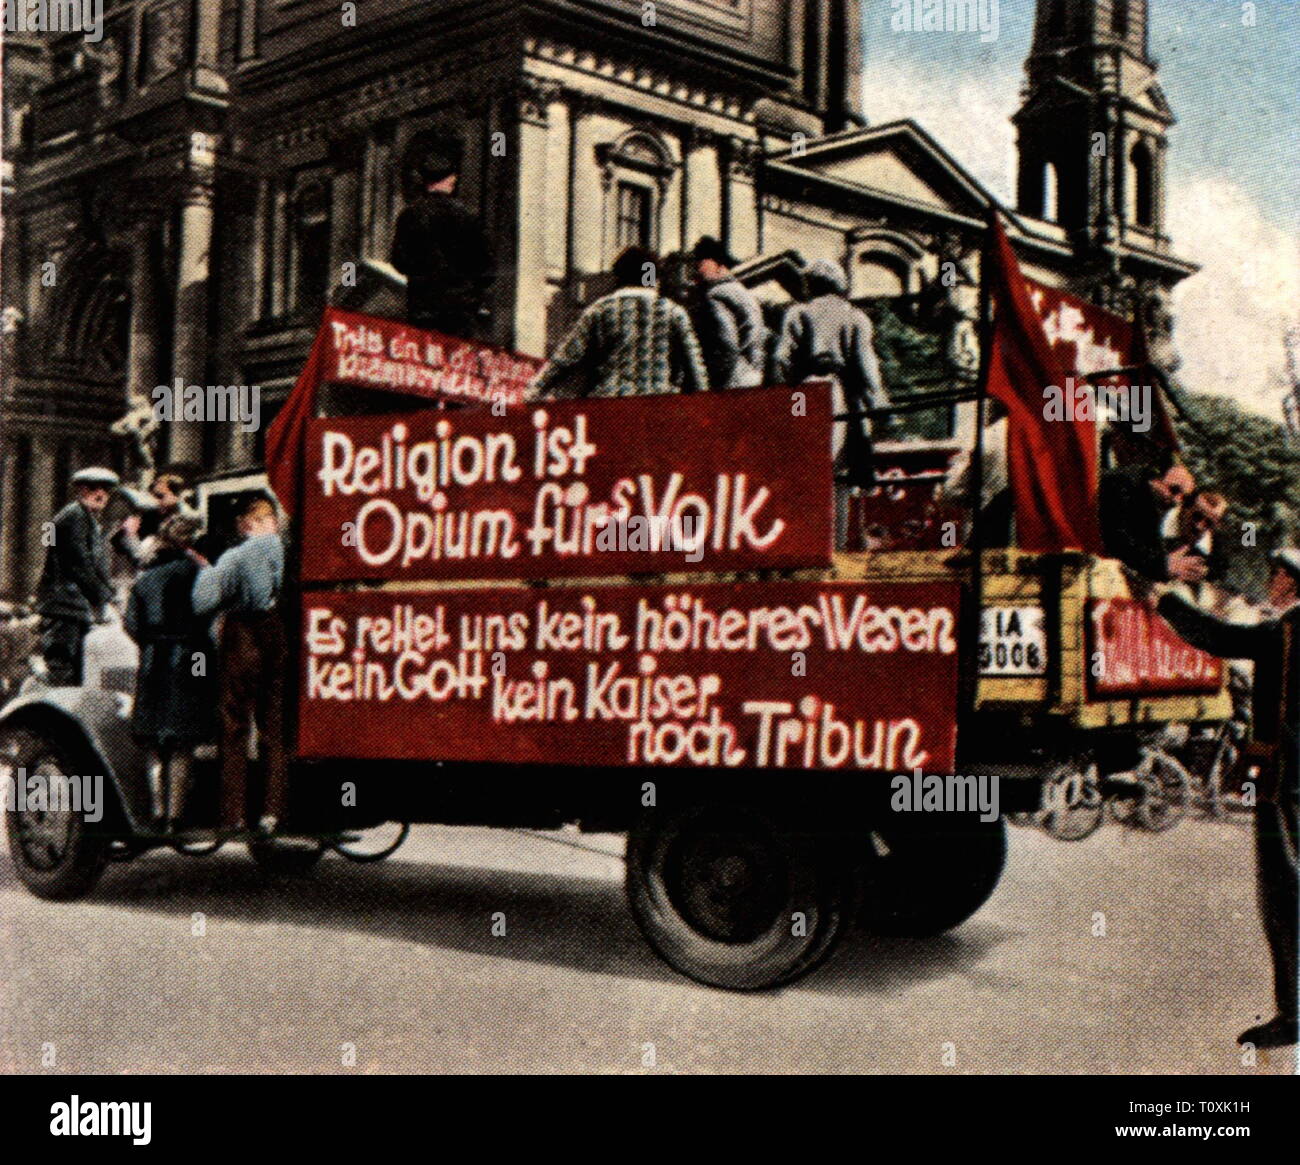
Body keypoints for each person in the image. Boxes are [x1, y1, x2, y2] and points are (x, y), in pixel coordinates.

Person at [1155, 549, 1300, 1049]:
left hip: (1287, 777)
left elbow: (1216, 637)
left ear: (1289, 581)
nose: (1271, 581)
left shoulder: (1286, 632)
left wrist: (1165, 600)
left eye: (1276, 574)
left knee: (1284, 891)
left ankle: (1293, 1013)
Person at [771, 258, 891, 543]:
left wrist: (791, 386)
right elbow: (866, 368)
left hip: (803, 393)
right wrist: (880, 406)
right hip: (841, 394)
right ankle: (832, 543)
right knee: (839, 471)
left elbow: (780, 358)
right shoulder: (854, 317)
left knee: (803, 467)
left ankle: (801, 539)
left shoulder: (797, 313)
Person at [192, 497, 288, 835]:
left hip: (243, 634)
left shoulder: (236, 556)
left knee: (234, 726)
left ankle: (233, 814)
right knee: (274, 727)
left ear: (246, 524)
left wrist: (206, 571)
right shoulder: (288, 551)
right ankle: (273, 812)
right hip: (279, 634)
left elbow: (202, 602)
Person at [124, 515, 216, 832]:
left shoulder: (144, 579)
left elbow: (131, 625)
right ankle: (176, 818)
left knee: (155, 744)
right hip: (190, 659)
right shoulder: (199, 573)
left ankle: (157, 812)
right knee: (182, 743)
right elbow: (211, 617)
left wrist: (151, 645)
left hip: (152, 662)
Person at [531, 246, 709, 398]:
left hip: (609, 407)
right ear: (653, 278)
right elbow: (695, 370)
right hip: (659, 406)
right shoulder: (674, 313)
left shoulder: (600, 310)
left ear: (619, 277)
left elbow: (565, 358)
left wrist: (533, 393)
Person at [389, 142, 494, 339]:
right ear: (452, 179)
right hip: (461, 308)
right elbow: (486, 266)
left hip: (423, 305)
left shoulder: (410, 215)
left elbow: (398, 261)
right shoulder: (467, 216)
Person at [34, 467, 119, 685]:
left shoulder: (85, 518)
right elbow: (80, 565)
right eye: (93, 488)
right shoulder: (74, 517)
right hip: (64, 606)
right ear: (80, 490)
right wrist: (104, 596)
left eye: (106, 490)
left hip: (71, 606)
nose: (101, 494)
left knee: (73, 670)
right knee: (63, 670)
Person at [1099, 455, 1206, 582]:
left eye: (1184, 497)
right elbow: (1117, 540)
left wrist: (1166, 565)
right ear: (1155, 478)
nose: (1176, 501)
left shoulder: (1151, 501)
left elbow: (1152, 548)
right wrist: (1162, 565)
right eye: (1174, 490)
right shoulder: (1120, 484)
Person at [690, 236, 766, 390]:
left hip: (731, 383)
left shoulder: (716, 295)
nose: (696, 269)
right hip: (753, 377)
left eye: (701, 263)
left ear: (718, 263)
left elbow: (726, 345)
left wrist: (715, 385)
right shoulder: (744, 293)